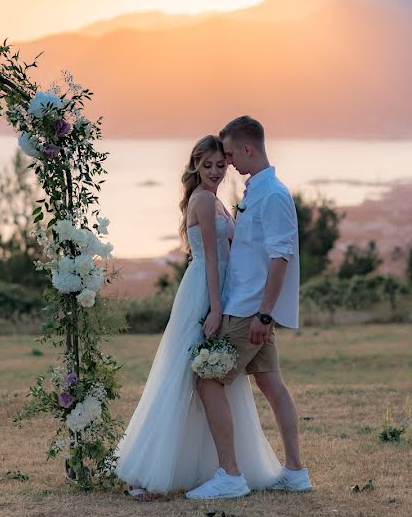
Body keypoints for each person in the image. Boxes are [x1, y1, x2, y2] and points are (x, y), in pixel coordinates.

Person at [115, 135, 280, 499]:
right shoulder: (203, 201)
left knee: (214, 382)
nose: (216, 171)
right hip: (204, 293)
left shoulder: (216, 200)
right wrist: (217, 310)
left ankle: (215, 466)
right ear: (195, 165)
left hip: (220, 289)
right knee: (183, 378)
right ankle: (146, 470)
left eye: (221, 164)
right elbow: (209, 259)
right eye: (208, 165)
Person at [186, 116, 312, 500]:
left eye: (229, 154)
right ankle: (295, 471)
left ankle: (230, 475)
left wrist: (263, 314)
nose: (228, 164)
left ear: (248, 149)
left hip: (248, 311)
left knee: (208, 382)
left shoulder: (272, 194)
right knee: (271, 383)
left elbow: (280, 257)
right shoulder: (256, 190)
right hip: (249, 306)